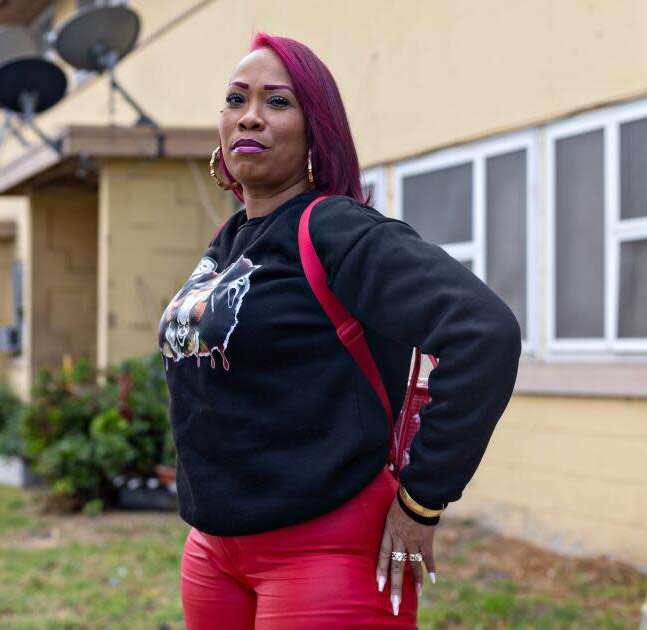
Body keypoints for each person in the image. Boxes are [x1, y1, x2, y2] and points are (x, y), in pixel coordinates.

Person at [157, 33, 522, 629]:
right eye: (235, 98)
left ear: (315, 131)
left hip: (325, 547)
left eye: (277, 102)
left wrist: (421, 501)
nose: (250, 115)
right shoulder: (230, 241)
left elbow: (484, 333)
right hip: (214, 550)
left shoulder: (335, 229)